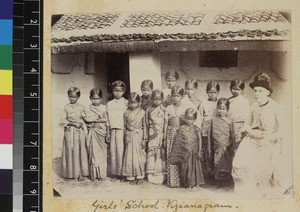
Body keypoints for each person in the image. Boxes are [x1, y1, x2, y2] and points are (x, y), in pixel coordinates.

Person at [232, 73, 284, 197]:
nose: (256, 94)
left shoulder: (275, 107)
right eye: (255, 91)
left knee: (266, 173)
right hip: (256, 140)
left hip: (271, 143)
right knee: (244, 165)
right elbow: (247, 125)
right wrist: (251, 131)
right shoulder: (254, 106)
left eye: (260, 91)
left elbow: (283, 131)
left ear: (267, 92)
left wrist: (269, 137)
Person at [165, 85, 196, 187]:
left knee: (182, 156)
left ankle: (184, 180)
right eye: (173, 96)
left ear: (182, 96)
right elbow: (166, 124)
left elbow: (189, 122)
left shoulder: (185, 108)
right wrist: (165, 137)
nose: (175, 98)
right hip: (170, 134)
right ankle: (174, 181)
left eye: (178, 96)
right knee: (171, 156)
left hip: (182, 136)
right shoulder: (168, 108)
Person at [170, 108, 205, 189]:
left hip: (194, 152)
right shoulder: (181, 128)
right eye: (187, 119)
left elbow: (200, 140)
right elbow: (179, 141)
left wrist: (199, 151)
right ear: (184, 118)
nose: (189, 121)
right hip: (185, 153)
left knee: (194, 168)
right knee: (186, 168)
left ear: (195, 119)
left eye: (191, 119)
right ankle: (188, 184)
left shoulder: (197, 129)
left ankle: (195, 184)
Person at [60, 87, 89, 181]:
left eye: (74, 97)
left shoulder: (82, 107)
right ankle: (70, 173)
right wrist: (73, 123)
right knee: (70, 151)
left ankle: (81, 173)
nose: (72, 98)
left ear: (78, 97)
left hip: (79, 131)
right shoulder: (65, 107)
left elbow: (85, 118)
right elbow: (62, 120)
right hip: (69, 131)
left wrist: (81, 124)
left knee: (80, 151)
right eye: (70, 96)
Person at [208, 98, 235, 188]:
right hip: (216, 147)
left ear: (227, 109)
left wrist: (232, 146)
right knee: (216, 164)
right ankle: (218, 181)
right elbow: (210, 134)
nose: (221, 111)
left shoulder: (229, 121)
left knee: (226, 164)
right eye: (220, 108)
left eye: (224, 109)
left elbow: (232, 134)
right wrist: (210, 147)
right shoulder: (213, 120)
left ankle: (226, 181)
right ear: (217, 108)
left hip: (226, 146)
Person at [83, 88, 109, 181]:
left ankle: (101, 175)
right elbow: (87, 119)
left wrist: (94, 119)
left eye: (97, 99)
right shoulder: (87, 108)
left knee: (102, 154)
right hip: (93, 133)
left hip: (102, 133)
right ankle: (94, 175)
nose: (95, 100)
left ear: (101, 98)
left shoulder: (104, 108)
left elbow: (106, 120)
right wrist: (98, 118)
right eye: (93, 98)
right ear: (90, 98)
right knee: (93, 154)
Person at [122, 92, 147, 185]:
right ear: (128, 102)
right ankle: (131, 175)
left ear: (139, 102)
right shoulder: (126, 112)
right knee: (129, 155)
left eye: (135, 102)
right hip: (129, 135)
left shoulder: (142, 112)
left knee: (139, 156)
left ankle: (140, 176)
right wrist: (125, 136)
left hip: (139, 135)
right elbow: (124, 125)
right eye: (131, 102)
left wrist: (144, 139)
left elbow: (145, 126)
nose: (133, 105)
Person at [199, 81, 220, 183]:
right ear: (207, 92)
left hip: (216, 132)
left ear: (218, 93)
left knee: (215, 152)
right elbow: (200, 118)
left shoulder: (219, 103)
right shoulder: (203, 104)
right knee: (206, 153)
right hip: (205, 132)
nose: (212, 94)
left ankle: (216, 174)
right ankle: (207, 175)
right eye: (210, 92)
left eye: (215, 92)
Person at [106, 80, 128, 181]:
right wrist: (108, 132)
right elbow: (107, 118)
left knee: (121, 151)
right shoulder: (109, 104)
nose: (117, 93)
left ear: (123, 91)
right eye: (115, 91)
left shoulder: (126, 103)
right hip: (112, 129)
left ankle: (122, 173)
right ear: (112, 91)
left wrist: (126, 131)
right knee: (113, 151)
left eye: (120, 91)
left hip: (121, 130)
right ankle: (115, 173)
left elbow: (127, 118)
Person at [145, 90, 167, 184]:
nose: (157, 101)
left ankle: (160, 175)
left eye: (159, 99)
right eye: (155, 99)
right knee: (151, 152)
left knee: (160, 153)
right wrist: (146, 136)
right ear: (152, 99)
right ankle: (151, 175)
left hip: (160, 133)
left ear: (162, 99)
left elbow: (166, 123)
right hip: (151, 134)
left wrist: (164, 136)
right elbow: (146, 123)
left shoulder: (164, 109)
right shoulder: (148, 109)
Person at [227, 79, 251, 153]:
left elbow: (248, 116)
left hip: (240, 126)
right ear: (230, 88)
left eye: (239, 89)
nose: (236, 91)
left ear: (242, 91)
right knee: (229, 145)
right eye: (234, 89)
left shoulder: (245, 101)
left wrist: (245, 127)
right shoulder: (228, 100)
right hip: (229, 125)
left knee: (238, 146)